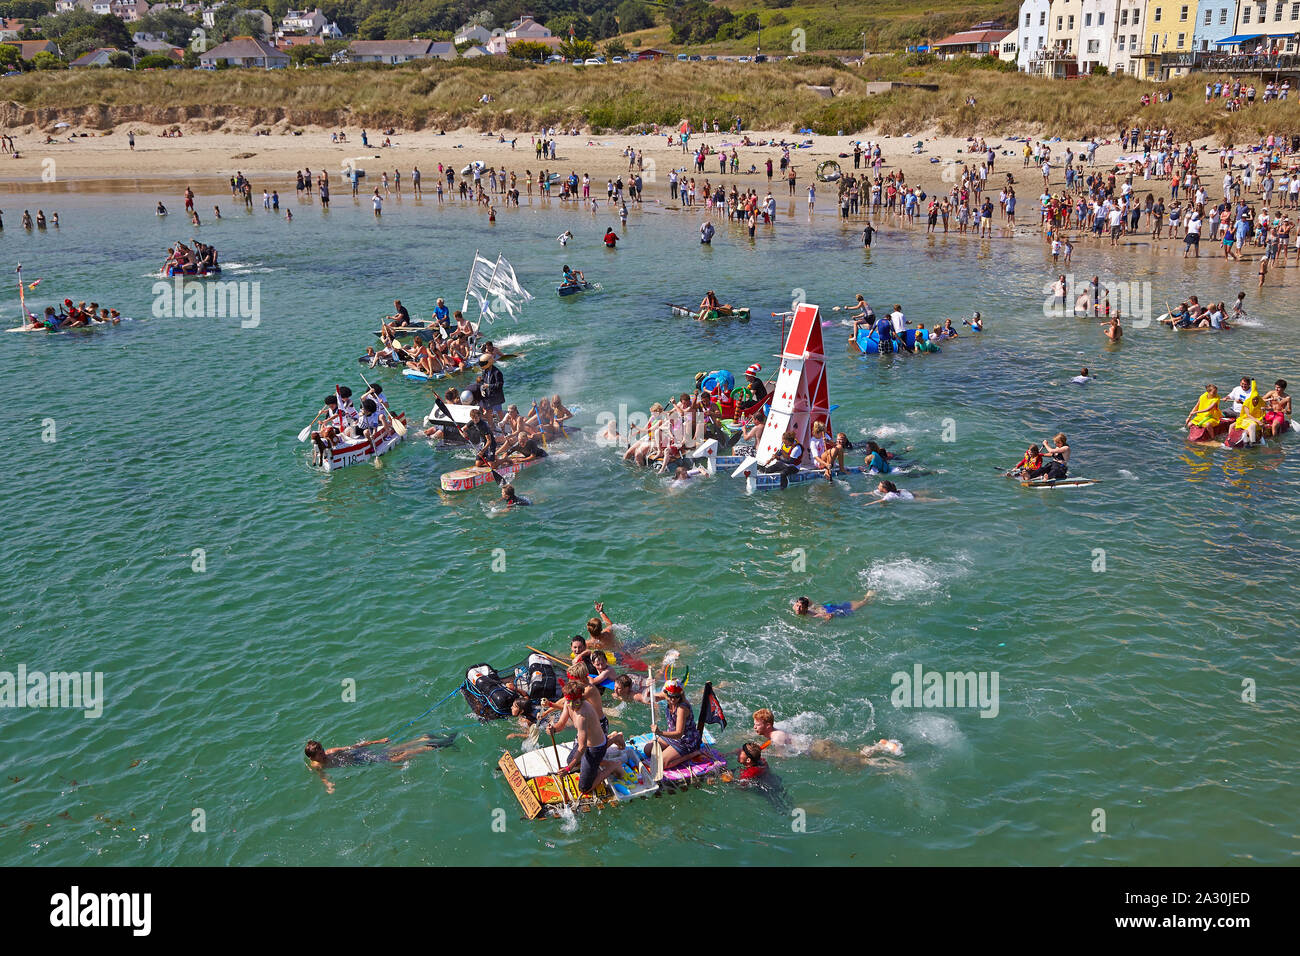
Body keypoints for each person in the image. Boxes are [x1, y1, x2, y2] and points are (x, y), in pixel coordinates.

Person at [304, 735, 455, 793]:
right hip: (358, 760)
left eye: (322, 750)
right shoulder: (317, 765)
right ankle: (423, 739)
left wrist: (377, 741)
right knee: (393, 751)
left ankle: (430, 746)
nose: (323, 753)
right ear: (313, 758)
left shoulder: (331, 752)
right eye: (320, 753)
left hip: (358, 757)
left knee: (395, 757)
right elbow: (321, 775)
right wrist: (328, 784)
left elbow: (355, 746)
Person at [555, 683, 618, 796]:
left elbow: (582, 747)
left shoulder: (582, 716)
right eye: (570, 702)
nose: (573, 705)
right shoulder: (568, 703)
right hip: (587, 744)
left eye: (577, 702)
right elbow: (560, 724)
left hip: (596, 748)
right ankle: (614, 738)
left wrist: (568, 769)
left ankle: (613, 765)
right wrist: (553, 729)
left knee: (584, 788)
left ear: (581, 698)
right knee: (571, 761)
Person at [645, 679, 700, 770]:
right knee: (647, 750)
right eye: (670, 696)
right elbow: (648, 699)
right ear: (666, 693)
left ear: (680, 694)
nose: (673, 699)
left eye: (676, 696)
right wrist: (647, 691)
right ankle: (672, 752)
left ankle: (691, 754)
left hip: (685, 741)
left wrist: (660, 732)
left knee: (659, 764)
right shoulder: (666, 694)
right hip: (671, 737)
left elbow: (679, 734)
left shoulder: (681, 709)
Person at [791, 592, 875, 620]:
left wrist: (822, 623)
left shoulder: (812, 615)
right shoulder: (795, 607)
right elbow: (806, 597)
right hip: (825, 606)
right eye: (797, 605)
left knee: (853, 608)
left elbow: (829, 616)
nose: (798, 608)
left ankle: (867, 598)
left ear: (805, 608)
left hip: (829, 610)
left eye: (800, 606)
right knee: (842, 606)